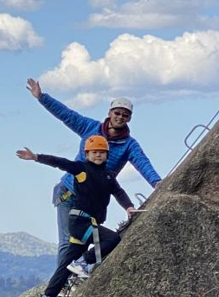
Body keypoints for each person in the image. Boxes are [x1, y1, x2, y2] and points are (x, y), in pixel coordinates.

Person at [26, 78, 160, 266]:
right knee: (68, 243)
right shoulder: (91, 128)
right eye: (117, 112)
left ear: (129, 119)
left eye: (125, 115)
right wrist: (41, 97)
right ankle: (60, 290)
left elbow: (142, 163)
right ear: (110, 113)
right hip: (68, 192)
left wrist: (157, 183)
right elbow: (67, 115)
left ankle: (76, 273)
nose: (120, 117)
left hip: (92, 202)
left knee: (83, 243)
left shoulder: (129, 145)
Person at [16, 136, 137, 297]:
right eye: (94, 152)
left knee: (66, 264)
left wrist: (129, 207)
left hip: (87, 223)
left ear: (107, 155)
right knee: (112, 239)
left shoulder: (109, 176)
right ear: (87, 154)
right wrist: (36, 157)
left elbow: (119, 192)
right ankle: (83, 262)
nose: (98, 155)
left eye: (101, 152)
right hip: (80, 221)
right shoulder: (82, 169)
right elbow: (61, 162)